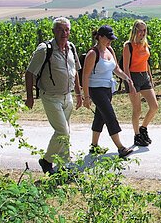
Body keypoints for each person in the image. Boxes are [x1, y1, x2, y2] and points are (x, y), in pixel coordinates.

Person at [25, 17, 82, 175]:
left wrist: (78, 93)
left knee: (66, 132)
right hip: (50, 96)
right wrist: (30, 97)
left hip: (67, 96)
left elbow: (75, 71)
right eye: (60, 30)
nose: (64, 33)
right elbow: (29, 73)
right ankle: (47, 161)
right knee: (62, 131)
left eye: (66, 30)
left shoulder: (71, 47)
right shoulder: (44, 49)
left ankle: (64, 166)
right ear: (53, 31)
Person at [82, 25, 137, 158]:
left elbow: (116, 68)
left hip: (108, 89)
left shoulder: (110, 50)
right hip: (96, 90)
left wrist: (127, 78)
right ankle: (121, 148)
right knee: (110, 116)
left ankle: (94, 147)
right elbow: (85, 76)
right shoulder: (92, 54)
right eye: (108, 38)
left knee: (100, 117)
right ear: (100, 37)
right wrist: (86, 96)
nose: (110, 41)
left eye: (111, 39)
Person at [122, 20, 159, 147]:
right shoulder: (128, 46)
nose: (142, 33)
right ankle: (137, 135)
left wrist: (150, 77)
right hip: (133, 77)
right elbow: (125, 67)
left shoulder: (145, 44)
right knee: (137, 110)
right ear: (134, 30)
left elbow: (146, 62)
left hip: (144, 77)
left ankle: (143, 128)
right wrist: (129, 82)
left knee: (154, 106)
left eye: (144, 30)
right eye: (139, 30)